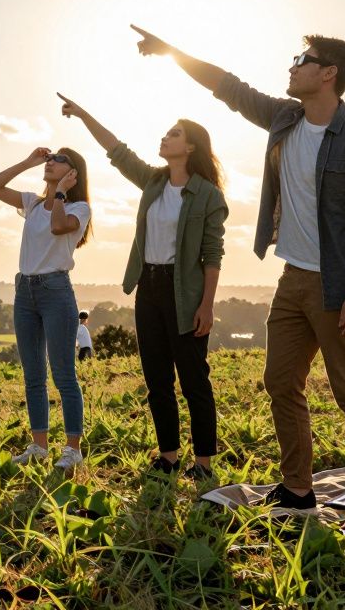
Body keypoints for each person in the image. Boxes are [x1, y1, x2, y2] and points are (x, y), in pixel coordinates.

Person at [129, 24, 345, 528]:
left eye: (303, 59)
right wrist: (170, 52)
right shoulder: (286, 118)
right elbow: (228, 87)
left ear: (328, 74)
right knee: (279, 382)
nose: (293, 65)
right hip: (292, 278)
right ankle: (297, 489)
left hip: (338, 285)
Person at [59, 93, 227, 481]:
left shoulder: (208, 195)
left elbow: (213, 255)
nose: (165, 138)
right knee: (156, 379)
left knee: (193, 379)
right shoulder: (153, 180)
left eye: (174, 134)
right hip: (148, 286)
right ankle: (169, 456)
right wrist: (84, 113)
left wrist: (207, 305)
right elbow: (117, 150)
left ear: (191, 146)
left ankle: (203, 463)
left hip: (184, 292)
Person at [0, 147, 92, 470]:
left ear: (73, 173)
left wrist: (59, 193)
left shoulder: (79, 207)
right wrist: (28, 163)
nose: (51, 161)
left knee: (63, 375)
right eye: (50, 158)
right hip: (25, 291)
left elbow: (59, 227)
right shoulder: (31, 202)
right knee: (33, 375)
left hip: (56, 292)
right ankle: (39, 445)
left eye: (59, 159)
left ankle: (73, 449)